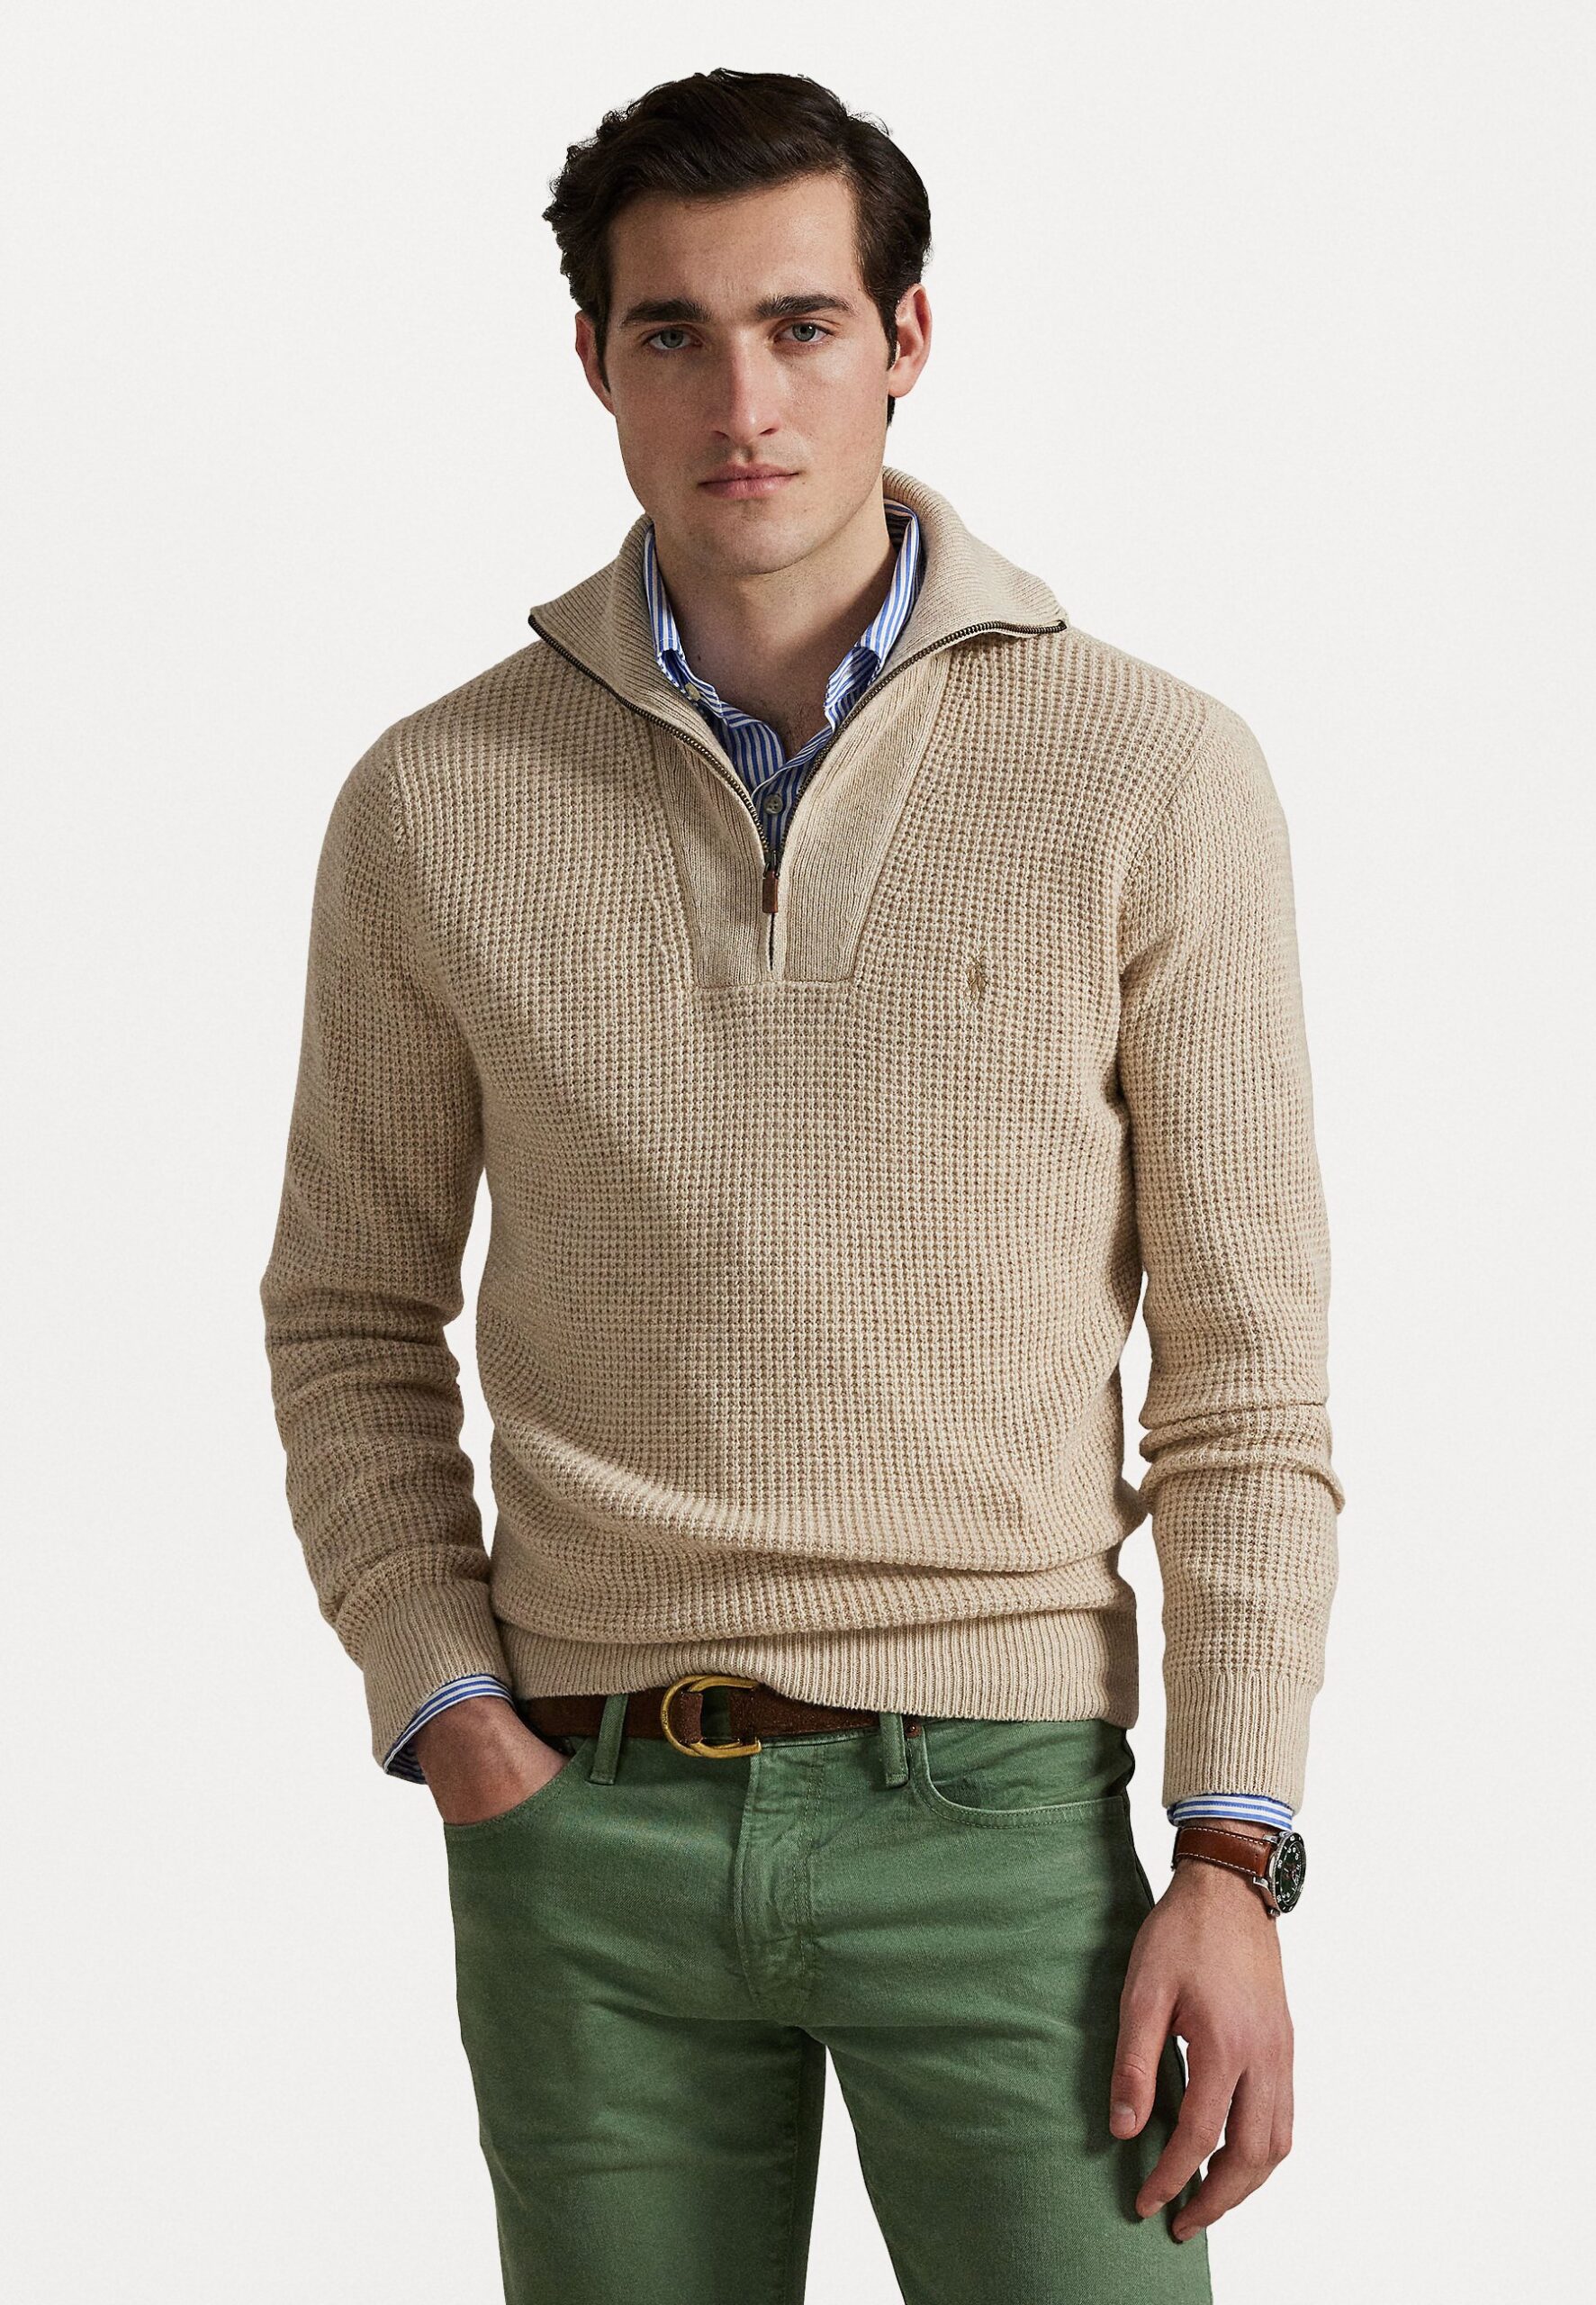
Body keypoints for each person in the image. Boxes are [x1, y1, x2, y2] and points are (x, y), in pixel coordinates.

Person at [258, 65, 1342, 2305]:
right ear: (593, 360)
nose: (739, 400)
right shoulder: (435, 798)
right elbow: (349, 1306)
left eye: (799, 324)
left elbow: (1240, 1362)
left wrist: (1230, 1845)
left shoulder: (1145, 769)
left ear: (903, 335)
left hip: (1002, 1820)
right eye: (672, 332)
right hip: (582, 1820)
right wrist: (449, 1710)